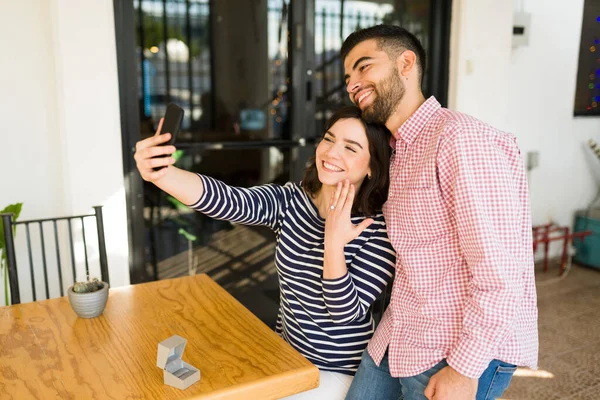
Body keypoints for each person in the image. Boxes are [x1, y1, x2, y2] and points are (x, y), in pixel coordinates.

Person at [134, 106, 396, 398]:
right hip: (286, 354)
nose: (332, 152)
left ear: (372, 164)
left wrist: (333, 243)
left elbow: (344, 314)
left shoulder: (377, 228)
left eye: (350, 148)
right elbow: (228, 200)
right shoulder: (291, 200)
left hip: (337, 372)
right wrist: (161, 175)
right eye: (329, 139)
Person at [341, 25, 538, 400]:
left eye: (364, 67)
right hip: (399, 335)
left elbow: (501, 272)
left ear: (406, 63)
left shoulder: (461, 139)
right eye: (349, 77)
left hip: (454, 351)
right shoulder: (397, 151)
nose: (353, 84)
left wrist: (465, 370)